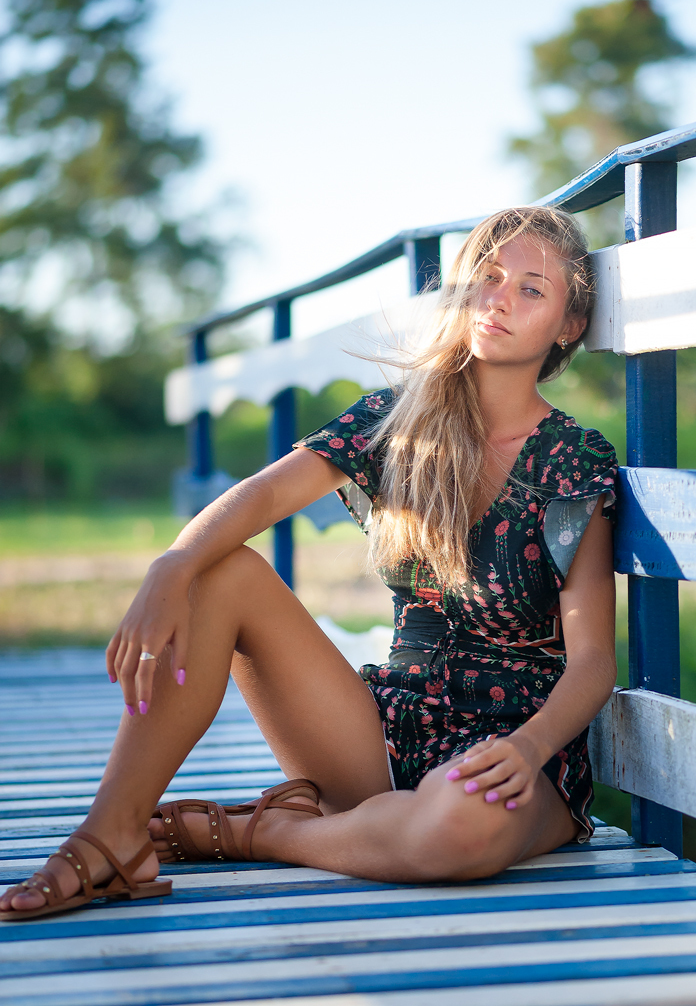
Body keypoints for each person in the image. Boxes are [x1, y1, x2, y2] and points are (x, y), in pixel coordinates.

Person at [1, 206, 618, 920]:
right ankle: (111, 836)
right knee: (219, 569)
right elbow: (261, 495)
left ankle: (264, 830)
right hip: (383, 734)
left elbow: (593, 659)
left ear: (570, 325)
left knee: (458, 825)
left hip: (512, 760)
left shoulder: (575, 460)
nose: (498, 299)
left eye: (531, 290)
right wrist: (169, 568)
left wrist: (530, 743)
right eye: (486, 277)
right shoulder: (397, 421)